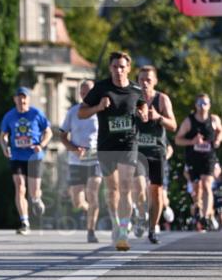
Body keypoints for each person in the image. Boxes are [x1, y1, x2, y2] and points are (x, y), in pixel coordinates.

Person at [78, 51, 142, 251]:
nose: (118, 70)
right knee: (112, 189)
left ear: (128, 69)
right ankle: (116, 222)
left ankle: (123, 231)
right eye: (115, 67)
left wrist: (145, 114)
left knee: (125, 186)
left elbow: (144, 110)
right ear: (110, 68)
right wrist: (98, 107)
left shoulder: (136, 90)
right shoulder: (101, 88)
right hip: (106, 145)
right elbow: (81, 112)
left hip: (128, 144)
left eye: (122, 67)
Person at [0, 86, 52, 235]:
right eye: (19, 97)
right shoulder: (9, 116)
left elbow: (48, 132)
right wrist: (5, 147)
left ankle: (36, 199)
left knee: (34, 192)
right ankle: (24, 221)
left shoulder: (36, 114)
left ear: (28, 99)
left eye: (24, 97)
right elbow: (3, 136)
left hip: (34, 156)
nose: (22, 100)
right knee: (20, 187)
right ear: (15, 99)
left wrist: (41, 145)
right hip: (16, 156)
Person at [133, 66, 177, 244]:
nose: (145, 83)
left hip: (157, 151)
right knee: (140, 187)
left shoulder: (162, 99)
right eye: (142, 79)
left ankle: (152, 228)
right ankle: (141, 216)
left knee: (156, 191)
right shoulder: (132, 99)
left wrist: (158, 117)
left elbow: (173, 125)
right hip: (138, 151)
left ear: (155, 81)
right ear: (137, 81)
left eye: (148, 80)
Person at [58, 80, 101, 243]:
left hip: (96, 159)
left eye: (88, 92)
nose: (85, 95)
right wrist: (74, 149)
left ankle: (91, 230)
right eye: (82, 93)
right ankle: (89, 210)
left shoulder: (100, 112)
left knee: (92, 193)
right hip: (76, 160)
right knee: (77, 201)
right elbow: (62, 136)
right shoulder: (73, 112)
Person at [175, 93, 222, 231]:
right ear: (195, 105)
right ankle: (199, 212)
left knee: (207, 185)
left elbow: (220, 131)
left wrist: (218, 139)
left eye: (205, 103)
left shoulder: (214, 120)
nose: (202, 106)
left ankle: (206, 217)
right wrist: (192, 141)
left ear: (209, 106)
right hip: (193, 158)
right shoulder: (189, 121)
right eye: (200, 103)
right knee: (197, 189)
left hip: (208, 158)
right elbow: (178, 139)